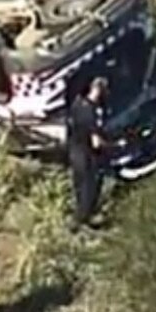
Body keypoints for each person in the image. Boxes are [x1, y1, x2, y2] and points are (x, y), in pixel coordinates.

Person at [66, 76, 110, 231]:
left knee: (79, 187)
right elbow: (96, 142)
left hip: (74, 152)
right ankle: (82, 220)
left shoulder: (77, 104)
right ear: (97, 90)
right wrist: (115, 145)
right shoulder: (91, 112)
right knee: (89, 188)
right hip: (87, 154)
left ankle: (79, 218)